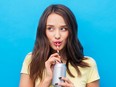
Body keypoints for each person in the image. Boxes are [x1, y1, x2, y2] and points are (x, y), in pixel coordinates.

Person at [19, 4, 100, 87]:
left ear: (71, 31)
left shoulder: (89, 64)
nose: (57, 35)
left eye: (63, 29)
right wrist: (47, 79)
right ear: (43, 31)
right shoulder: (32, 60)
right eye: (50, 28)